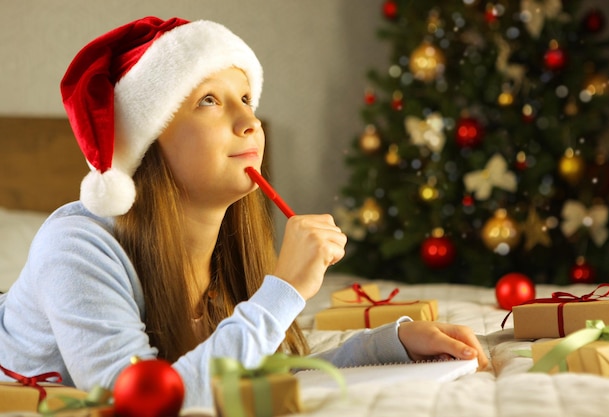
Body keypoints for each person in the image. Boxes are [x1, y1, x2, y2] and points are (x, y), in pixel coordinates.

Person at [0, 16, 487, 408]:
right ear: (148, 143)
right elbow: (140, 401)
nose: (249, 121)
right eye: (209, 101)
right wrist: (284, 289)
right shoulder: (75, 248)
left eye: (247, 98)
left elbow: (245, 370)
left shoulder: (224, 249)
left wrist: (391, 345)